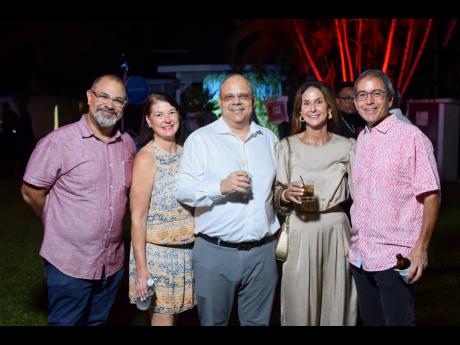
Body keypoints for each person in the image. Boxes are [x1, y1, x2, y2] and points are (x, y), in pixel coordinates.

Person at [21, 74, 136, 325]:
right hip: (69, 263)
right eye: (103, 96)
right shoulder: (59, 142)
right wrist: (57, 224)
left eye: (118, 100)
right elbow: (31, 192)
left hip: (112, 263)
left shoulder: (127, 144)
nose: (109, 104)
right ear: (90, 97)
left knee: (98, 322)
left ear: (124, 106)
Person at [175, 74, 279, 326]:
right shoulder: (200, 140)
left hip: (262, 253)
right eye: (229, 97)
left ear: (253, 101)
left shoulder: (269, 139)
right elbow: (182, 189)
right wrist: (220, 186)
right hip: (215, 253)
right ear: (220, 103)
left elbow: (276, 190)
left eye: (243, 96)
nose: (236, 102)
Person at [349, 69, 441, 326]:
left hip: (394, 259)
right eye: (362, 95)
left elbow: (431, 195)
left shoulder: (411, 137)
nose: (369, 101)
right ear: (355, 101)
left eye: (376, 94)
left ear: (390, 100)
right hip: (361, 257)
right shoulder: (362, 137)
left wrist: (421, 249)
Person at [274, 80, 357, 326]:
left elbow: (362, 193)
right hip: (301, 228)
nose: (312, 108)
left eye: (318, 101)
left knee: (336, 302)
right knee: (299, 303)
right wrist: (286, 195)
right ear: (299, 111)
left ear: (329, 108)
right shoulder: (285, 147)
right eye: (306, 103)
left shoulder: (348, 146)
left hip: (336, 230)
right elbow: (276, 194)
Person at [128, 92, 195, 326]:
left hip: (186, 252)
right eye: (159, 114)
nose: (167, 119)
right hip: (157, 255)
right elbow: (138, 217)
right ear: (149, 121)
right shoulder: (147, 157)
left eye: (171, 112)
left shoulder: (188, 153)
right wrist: (141, 268)